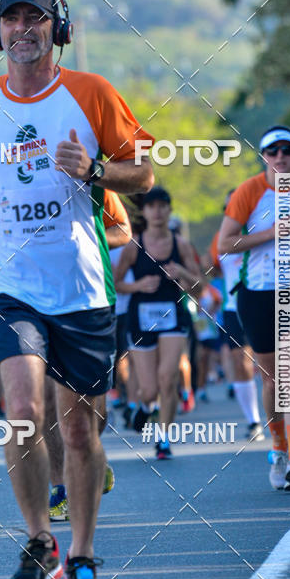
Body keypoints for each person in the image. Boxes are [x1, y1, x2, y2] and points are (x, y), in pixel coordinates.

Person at [0, 0, 153, 579]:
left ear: (57, 29)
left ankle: (83, 557)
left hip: (83, 288)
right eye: (11, 21)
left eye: (36, 19)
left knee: (82, 433)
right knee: (22, 408)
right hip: (10, 285)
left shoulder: (90, 93)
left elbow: (143, 172)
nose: (23, 30)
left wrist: (93, 169)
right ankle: (39, 541)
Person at [218, 125, 290, 491]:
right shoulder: (248, 192)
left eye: (287, 151)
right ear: (263, 155)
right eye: (273, 152)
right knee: (272, 379)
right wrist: (272, 232)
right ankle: (279, 449)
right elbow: (226, 242)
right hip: (257, 293)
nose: (281, 158)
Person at [48, 189, 131, 521]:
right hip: (35, 300)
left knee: (91, 402)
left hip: (91, 298)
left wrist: (79, 239)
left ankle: (93, 454)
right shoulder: (14, 178)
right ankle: (60, 488)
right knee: (45, 398)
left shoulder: (92, 180)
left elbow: (123, 230)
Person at [114, 186, 202, 459]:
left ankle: (164, 439)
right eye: (152, 206)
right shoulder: (134, 245)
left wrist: (183, 272)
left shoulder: (181, 245)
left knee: (168, 378)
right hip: (141, 320)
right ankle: (143, 406)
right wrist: (138, 284)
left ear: (169, 209)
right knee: (150, 388)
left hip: (173, 317)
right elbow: (115, 284)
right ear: (146, 211)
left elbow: (200, 287)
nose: (158, 211)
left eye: (163, 206)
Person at [209, 192, 264, 441]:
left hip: (264, 304)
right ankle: (254, 420)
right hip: (233, 307)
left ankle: (281, 415)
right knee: (241, 362)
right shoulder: (218, 239)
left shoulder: (263, 232)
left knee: (268, 365)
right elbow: (215, 268)